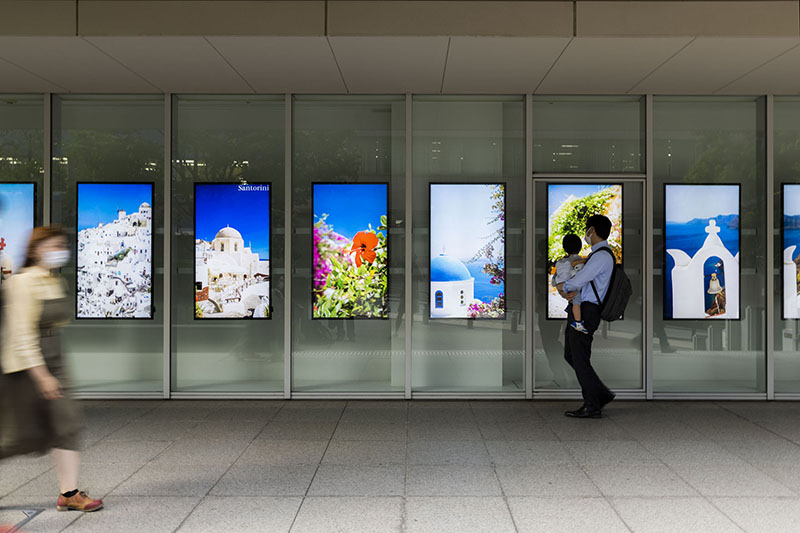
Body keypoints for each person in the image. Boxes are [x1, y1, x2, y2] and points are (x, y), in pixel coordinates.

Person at [0, 226, 103, 512]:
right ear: (35, 250)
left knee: (67, 423)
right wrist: (42, 374)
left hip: (54, 355)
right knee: (15, 434)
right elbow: (22, 334)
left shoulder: (52, 280)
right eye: (53, 245)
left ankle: (69, 493)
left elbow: (56, 323)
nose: (60, 250)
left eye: (62, 244)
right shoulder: (22, 282)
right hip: (27, 362)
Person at [559, 214, 616, 419]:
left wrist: (563, 287)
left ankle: (593, 404)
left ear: (592, 230)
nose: (586, 234)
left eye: (587, 230)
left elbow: (579, 280)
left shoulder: (601, 256)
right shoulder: (599, 254)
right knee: (572, 355)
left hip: (587, 311)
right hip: (583, 309)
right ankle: (600, 393)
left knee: (580, 358)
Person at [551, 234, 589, 333]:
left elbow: (554, 280)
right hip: (571, 286)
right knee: (576, 301)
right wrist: (585, 260)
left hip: (561, 284)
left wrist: (562, 291)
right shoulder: (578, 260)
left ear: (564, 248)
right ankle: (578, 322)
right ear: (580, 247)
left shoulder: (560, 262)